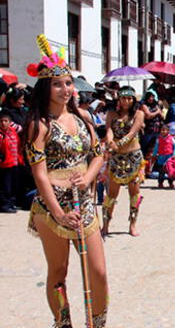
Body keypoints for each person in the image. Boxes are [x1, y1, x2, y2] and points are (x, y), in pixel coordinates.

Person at [23, 35, 108, 326]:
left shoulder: (84, 117)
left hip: (83, 203)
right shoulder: (39, 125)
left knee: (98, 272)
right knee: (58, 272)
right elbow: (39, 174)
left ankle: (97, 323)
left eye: (68, 83)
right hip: (53, 209)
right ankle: (63, 323)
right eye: (57, 84)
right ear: (46, 88)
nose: (65, 89)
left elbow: (99, 154)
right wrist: (59, 214)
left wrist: (87, 176)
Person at [102, 86, 145, 237]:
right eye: (123, 98)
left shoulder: (139, 114)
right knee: (112, 193)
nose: (126, 101)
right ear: (118, 99)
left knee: (134, 193)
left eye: (129, 98)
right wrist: (109, 141)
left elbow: (132, 133)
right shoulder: (112, 114)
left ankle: (132, 224)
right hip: (116, 158)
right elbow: (109, 130)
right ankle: (106, 224)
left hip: (133, 157)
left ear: (133, 100)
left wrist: (117, 144)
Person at [0, 110, 21, 213]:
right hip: (4, 164)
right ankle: (5, 205)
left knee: (14, 185)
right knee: (5, 187)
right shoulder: (0, 134)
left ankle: (11, 203)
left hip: (14, 163)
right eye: (1, 121)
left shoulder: (13, 132)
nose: (3, 123)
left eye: (6, 121)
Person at [153, 124, 175, 188]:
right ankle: (160, 183)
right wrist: (154, 154)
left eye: (164, 130)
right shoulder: (159, 139)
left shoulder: (171, 138)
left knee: (170, 172)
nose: (163, 132)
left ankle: (171, 183)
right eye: (161, 130)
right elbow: (156, 147)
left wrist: (174, 154)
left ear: (168, 131)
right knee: (161, 172)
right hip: (161, 157)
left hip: (169, 158)